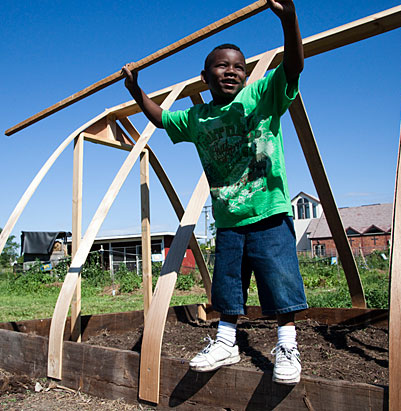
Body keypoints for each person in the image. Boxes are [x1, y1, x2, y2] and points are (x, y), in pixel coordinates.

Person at [121, 0, 306, 385]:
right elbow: (161, 118)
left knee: (281, 281)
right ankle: (226, 342)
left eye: (238, 66)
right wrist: (136, 90)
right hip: (228, 218)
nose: (231, 71)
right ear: (205, 77)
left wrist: (289, 19)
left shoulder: (261, 97)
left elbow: (293, 66)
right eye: (222, 66)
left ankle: (286, 345)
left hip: (268, 210)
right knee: (227, 285)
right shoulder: (198, 117)